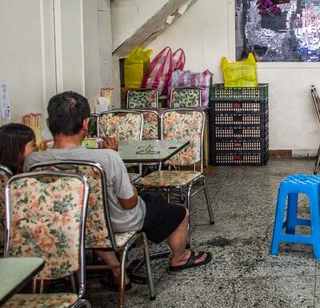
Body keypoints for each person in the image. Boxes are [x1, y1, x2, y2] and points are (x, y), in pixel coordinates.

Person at [26, 91, 211, 288]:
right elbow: (129, 202)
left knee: (147, 201)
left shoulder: (33, 162)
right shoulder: (106, 158)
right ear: (86, 124)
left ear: (48, 123)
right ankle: (180, 257)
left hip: (67, 226)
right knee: (178, 212)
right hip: (115, 223)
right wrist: (114, 156)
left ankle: (115, 266)